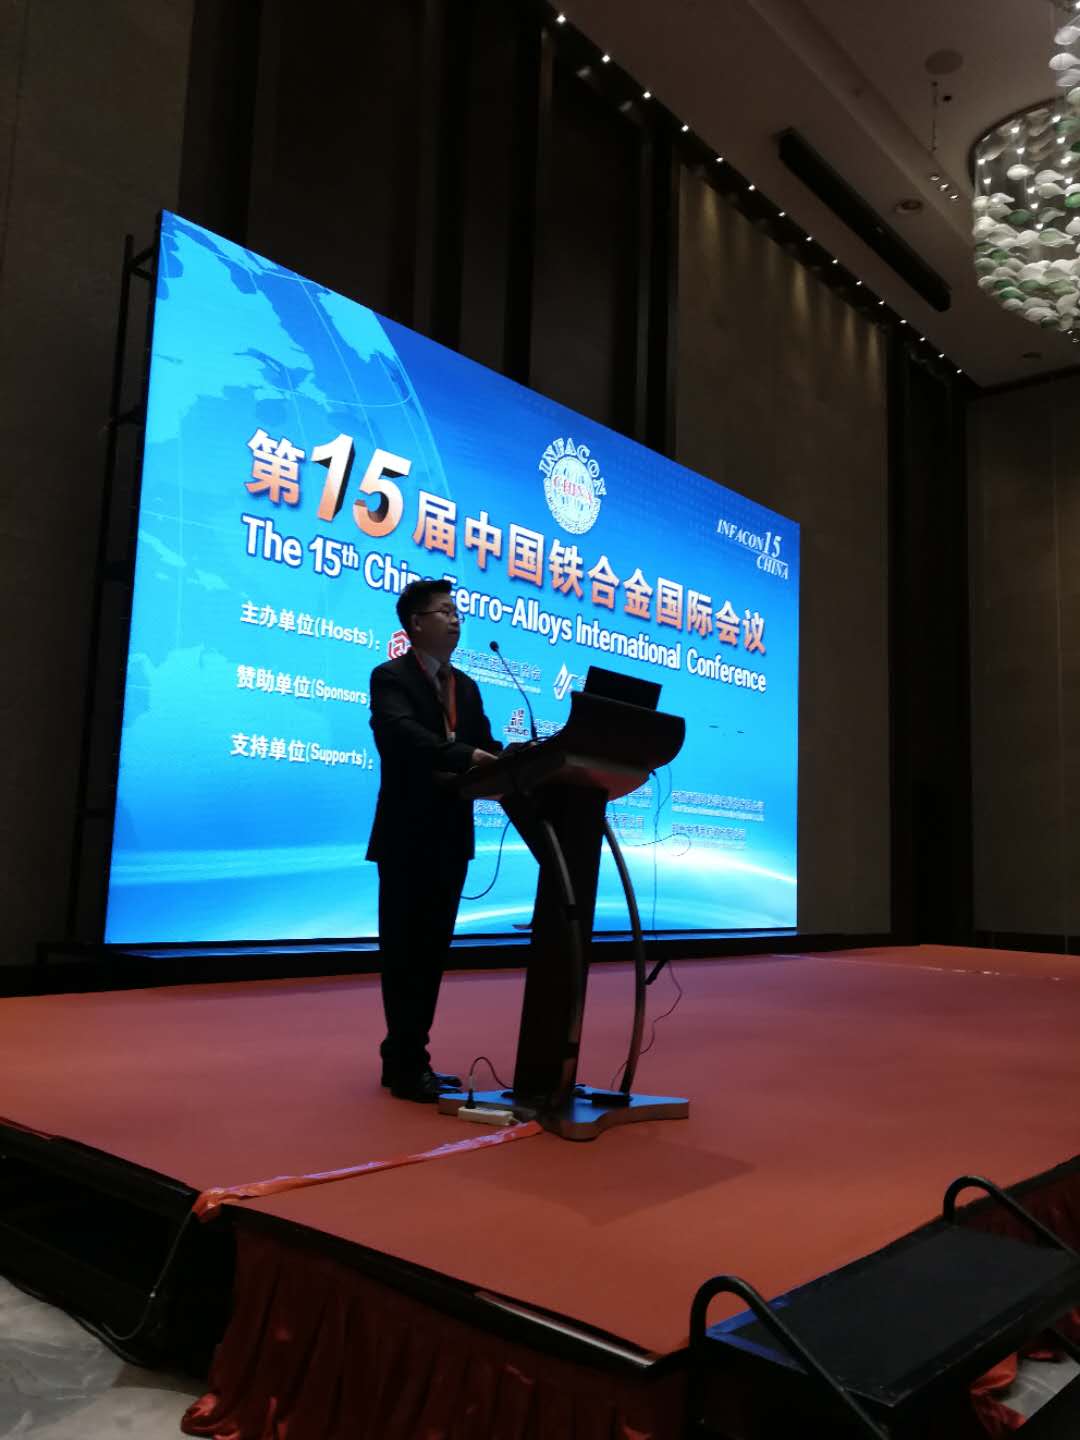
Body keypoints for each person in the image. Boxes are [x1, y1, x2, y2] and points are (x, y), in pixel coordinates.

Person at [367, 578, 501, 1102]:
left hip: (450, 835)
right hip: (406, 834)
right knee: (404, 952)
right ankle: (406, 1060)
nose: (455, 619)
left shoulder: (464, 686)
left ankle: (405, 1057)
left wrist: (523, 758)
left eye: (456, 611)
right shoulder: (390, 676)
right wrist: (466, 756)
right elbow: (400, 735)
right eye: (444, 611)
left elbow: (485, 743)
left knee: (431, 954)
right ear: (415, 623)